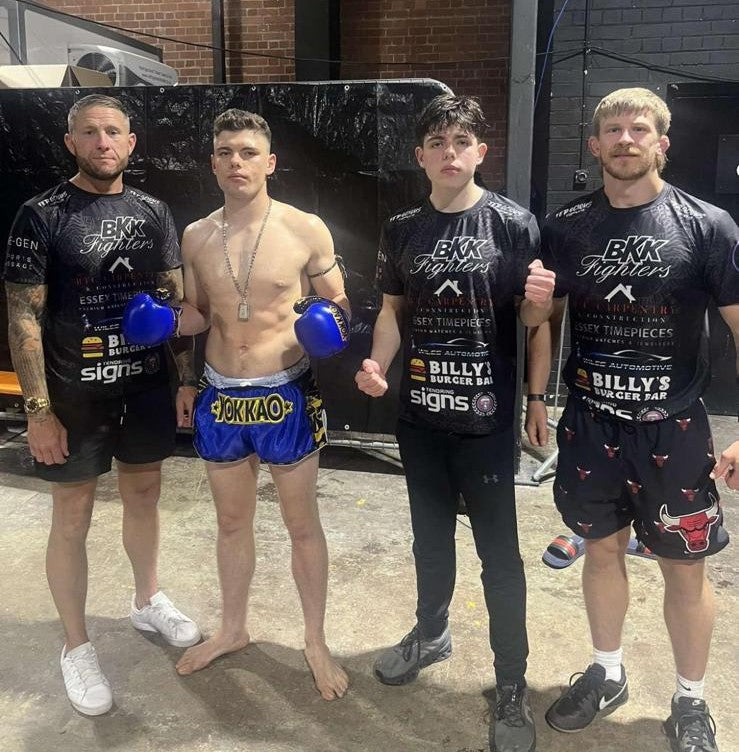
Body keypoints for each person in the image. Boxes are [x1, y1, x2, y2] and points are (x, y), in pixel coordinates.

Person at [527, 88, 738, 752]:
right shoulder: (565, 226)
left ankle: (690, 699)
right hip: (590, 423)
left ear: (661, 142)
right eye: (612, 130)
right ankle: (607, 671)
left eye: (638, 129)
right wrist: (536, 385)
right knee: (600, 551)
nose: (625, 139)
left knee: (685, 568)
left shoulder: (706, 225)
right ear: (594, 145)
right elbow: (540, 321)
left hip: (674, 427)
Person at [355, 94, 554, 752]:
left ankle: (511, 682)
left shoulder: (512, 224)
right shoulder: (401, 228)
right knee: (430, 541)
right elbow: (392, 312)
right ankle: (431, 632)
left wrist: (535, 397)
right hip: (419, 417)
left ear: (479, 152)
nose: (449, 153)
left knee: (499, 556)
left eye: (460, 142)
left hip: (486, 423)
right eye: (437, 142)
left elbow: (534, 322)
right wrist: (378, 364)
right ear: (420, 156)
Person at [2, 94, 200, 717]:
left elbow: (172, 301)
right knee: (72, 516)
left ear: (131, 143)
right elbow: (23, 316)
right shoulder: (41, 214)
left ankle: (146, 600)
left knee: (144, 495)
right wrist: (38, 410)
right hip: (73, 394)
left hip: (144, 386)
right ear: (71, 143)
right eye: (89, 132)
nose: (103, 142)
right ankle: (76, 645)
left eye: (113, 131)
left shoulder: (153, 212)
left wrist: (186, 380)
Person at [167, 108, 350, 701]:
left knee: (301, 524)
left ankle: (315, 641)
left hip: (285, 392)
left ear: (269, 162)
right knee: (230, 522)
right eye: (225, 152)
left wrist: (328, 323)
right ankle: (233, 628)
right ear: (213, 163)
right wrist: (166, 324)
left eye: (248, 152)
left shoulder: (305, 228)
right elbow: (199, 315)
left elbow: (340, 302)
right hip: (221, 393)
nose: (236, 162)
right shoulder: (196, 235)